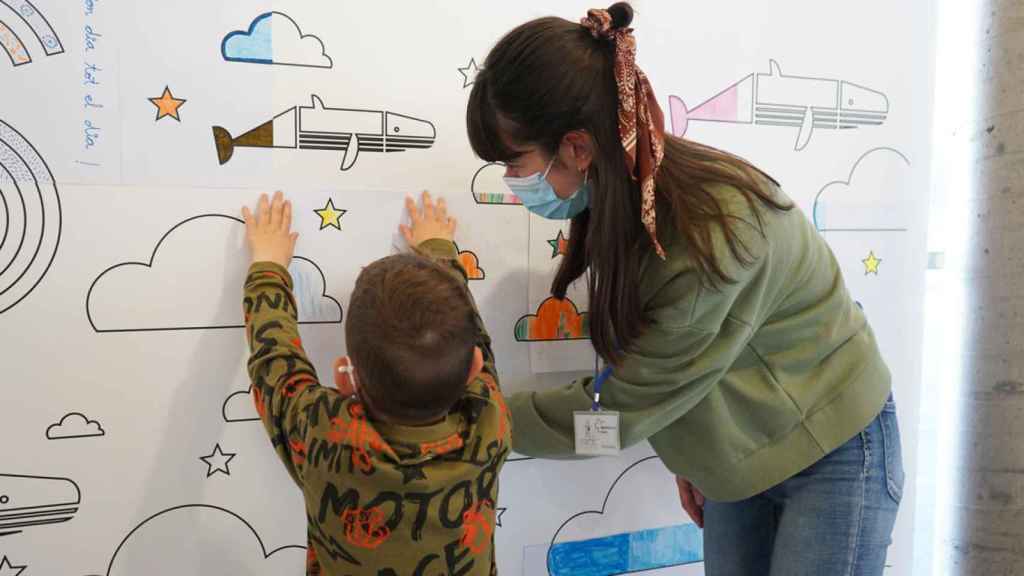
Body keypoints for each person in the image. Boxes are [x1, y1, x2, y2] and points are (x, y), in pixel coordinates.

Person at [464, 3, 904, 575]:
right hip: (741, 453)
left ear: (577, 147)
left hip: (833, 446)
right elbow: (679, 359)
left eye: (514, 161)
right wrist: (690, 446)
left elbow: (619, 413)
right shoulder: (624, 201)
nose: (511, 180)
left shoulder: (711, 233)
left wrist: (483, 418)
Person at [241, 191, 511, 576]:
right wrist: (440, 252)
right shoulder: (490, 423)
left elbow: (274, 363)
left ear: (344, 375)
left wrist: (267, 264)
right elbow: (475, 342)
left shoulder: (325, 437)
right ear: (475, 369)